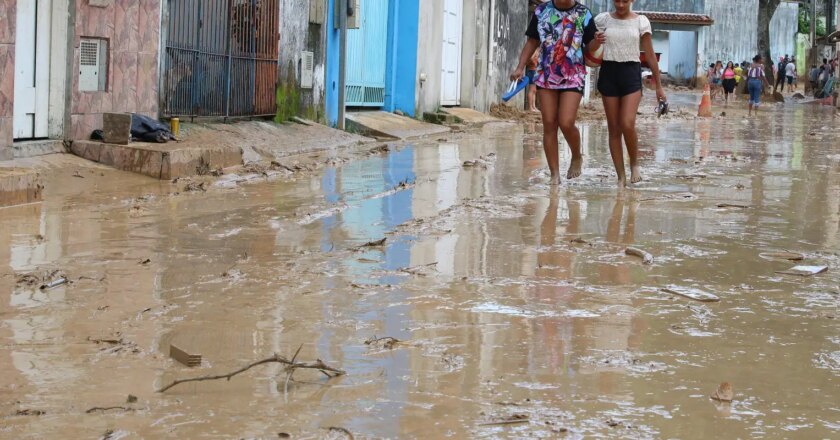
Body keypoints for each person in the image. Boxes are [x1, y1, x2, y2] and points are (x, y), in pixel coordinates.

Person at [511, 0, 600, 185]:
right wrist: (520, 67)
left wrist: (596, 42)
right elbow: (532, 41)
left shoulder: (584, 13)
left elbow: (589, 47)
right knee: (549, 123)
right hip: (546, 74)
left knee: (566, 122)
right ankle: (555, 175)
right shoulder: (542, 11)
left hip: (573, 74)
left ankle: (576, 156)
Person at [595, 0, 665, 187]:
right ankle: (620, 176)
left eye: (625, 0)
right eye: (617, 0)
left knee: (627, 123)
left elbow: (649, 55)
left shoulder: (641, 22)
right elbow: (590, 47)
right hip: (608, 72)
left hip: (631, 73)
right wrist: (594, 41)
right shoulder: (602, 20)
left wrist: (658, 86)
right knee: (614, 128)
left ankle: (634, 163)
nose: (620, 4)